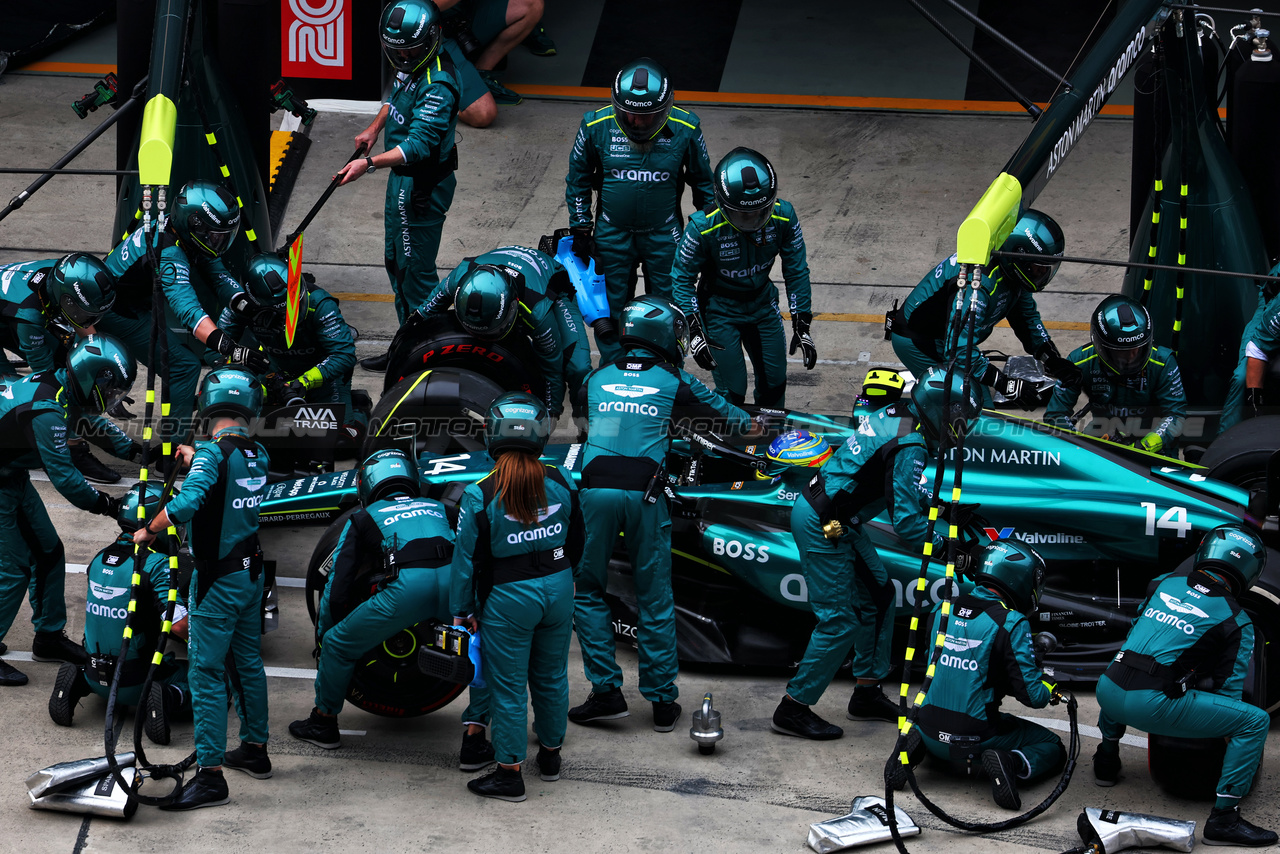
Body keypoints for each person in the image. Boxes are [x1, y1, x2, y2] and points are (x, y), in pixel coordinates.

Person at [570, 295, 759, 731]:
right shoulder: (674, 380)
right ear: (661, 336)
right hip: (645, 497)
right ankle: (660, 703)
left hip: (595, 492)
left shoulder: (596, 378)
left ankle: (606, 693)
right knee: (654, 598)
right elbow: (736, 423)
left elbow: (594, 426)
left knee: (588, 592)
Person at [771, 365, 980, 740]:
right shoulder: (912, 443)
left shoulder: (901, 413)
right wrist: (954, 552)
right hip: (824, 524)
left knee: (880, 597)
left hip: (838, 519)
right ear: (939, 410)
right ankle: (793, 708)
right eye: (959, 419)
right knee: (839, 621)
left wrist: (942, 507)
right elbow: (908, 525)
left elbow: (893, 484)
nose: (961, 429)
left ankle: (866, 693)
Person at [290, 449, 484, 759]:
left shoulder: (363, 518)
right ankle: (476, 737)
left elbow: (337, 586)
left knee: (338, 644)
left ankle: (323, 723)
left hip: (408, 589)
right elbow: (473, 551)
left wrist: (325, 635)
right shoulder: (441, 507)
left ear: (366, 486)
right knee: (479, 647)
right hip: (455, 586)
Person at [137, 366, 271, 810]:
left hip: (217, 582)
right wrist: (200, 458)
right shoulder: (256, 453)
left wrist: (150, 529)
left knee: (206, 674)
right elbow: (223, 470)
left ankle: (210, 776)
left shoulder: (214, 456)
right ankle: (255, 750)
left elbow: (189, 502)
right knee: (247, 662)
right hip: (252, 574)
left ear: (206, 405)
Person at [1093, 524, 1275, 847]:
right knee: (1255, 722)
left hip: (1106, 689)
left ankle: (1105, 762)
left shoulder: (1162, 582)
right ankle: (1224, 818)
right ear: (1250, 573)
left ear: (1205, 552)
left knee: (1127, 666)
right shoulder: (1237, 620)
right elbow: (1228, 691)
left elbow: (1138, 632)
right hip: (1149, 704)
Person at [449, 392, 582, 801]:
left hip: (508, 599)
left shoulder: (480, 493)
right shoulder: (561, 479)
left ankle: (509, 773)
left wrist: (462, 612)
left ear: (493, 433)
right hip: (558, 589)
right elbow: (579, 540)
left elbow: (465, 562)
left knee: (508, 689)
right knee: (552, 676)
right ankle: (551, 756)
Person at [0, 334, 140, 687]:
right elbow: (66, 479)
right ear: (92, 379)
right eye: (109, 392)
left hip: (9, 477)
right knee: (16, 567)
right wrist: (112, 507)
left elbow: (94, 426)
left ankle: (48, 637)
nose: (111, 400)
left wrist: (141, 453)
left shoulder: (63, 388)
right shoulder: (46, 413)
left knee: (49, 552)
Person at [565, 57, 716, 362]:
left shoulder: (687, 128)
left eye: (648, 116)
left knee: (669, 308)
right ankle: (612, 369)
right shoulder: (595, 125)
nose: (637, 123)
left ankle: (667, 370)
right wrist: (580, 227)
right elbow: (578, 176)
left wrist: (710, 233)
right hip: (611, 233)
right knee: (608, 310)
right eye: (630, 115)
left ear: (667, 108)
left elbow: (704, 185)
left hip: (664, 234)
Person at [340, 0, 461, 373]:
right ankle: (406, 347)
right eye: (397, 51)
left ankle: (429, 355)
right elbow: (396, 96)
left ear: (433, 38)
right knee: (396, 265)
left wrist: (369, 163)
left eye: (410, 49)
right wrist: (375, 130)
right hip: (401, 180)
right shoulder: (411, 62)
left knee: (417, 275)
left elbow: (418, 146)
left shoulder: (438, 83)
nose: (403, 57)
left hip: (421, 185)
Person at [101, 179, 269, 443]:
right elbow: (190, 314)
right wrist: (233, 350)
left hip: (132, 302)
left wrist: (249, 306)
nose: (219, 243)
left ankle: (180, 406)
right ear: (195, 225)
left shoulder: (181, 229)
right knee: (183, 366)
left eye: (224, 236)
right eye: (215, 236)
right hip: (116, 312)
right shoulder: (169, 253)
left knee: (182, 363)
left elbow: (218, 276)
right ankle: (173, 450)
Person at [913, 539, 1065, 810]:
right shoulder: (1011, 622)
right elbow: (1032, 695)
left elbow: (936, 666)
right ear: (1018, 578)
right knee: (1052, 745)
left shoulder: (942, 608)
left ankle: (919, 745)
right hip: (976, 740)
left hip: (926, 725)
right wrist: (1049, 688)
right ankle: (1011, 762)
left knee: (942, 718)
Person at [49, 482, 192, 745]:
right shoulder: (155, 565)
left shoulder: (100, 558)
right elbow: (180, 627)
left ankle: (79, 681)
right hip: (138, 680)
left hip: (96, 672)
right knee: (207, 677)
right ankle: (167, 697)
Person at [671, 147, 815, 407]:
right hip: (719, 312)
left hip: (762, 307)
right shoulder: (702, 227)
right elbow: (682, 278)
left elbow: (796, 270)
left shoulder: (784, 216)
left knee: (774, 383)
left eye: (760, 211)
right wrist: (694, 330)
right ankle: (728, 444)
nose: (751, 219)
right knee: (733, 391)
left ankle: (772, 442)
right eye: (741, 212)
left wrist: (802, 322)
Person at [888, 210, 1075, 408]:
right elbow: (959, 351)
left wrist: (1052, 359)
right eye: (1039, 269)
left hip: (949, 338)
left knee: (978, 399)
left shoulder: (1013, 273)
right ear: (1019, 257)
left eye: (1047, 270)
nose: (1043, 276)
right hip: (919, 341)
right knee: (976, 408)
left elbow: (1027, 320)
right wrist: (1004, 383)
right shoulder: (978, 285)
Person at [410, 244, 591, 420]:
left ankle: (582, 421)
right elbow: (420, 315)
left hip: (552, 286)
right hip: (505, 267)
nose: (482, 340)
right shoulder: (458, 279)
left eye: (490, 332)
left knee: (578, 367)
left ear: (513, 307)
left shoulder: (537, 311)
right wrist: (396, 351)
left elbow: (552, 368)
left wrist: (553, 412)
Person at [0, 252, 123, 483]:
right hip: (17, 315)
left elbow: (86, 333)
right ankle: (73, 451)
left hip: (11, 311)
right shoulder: (29, 317)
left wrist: (105, 372)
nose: (88, 321)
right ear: (65, 300)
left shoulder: (62, 275)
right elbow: (48, 385)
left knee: (67, 365)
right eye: (85, 313)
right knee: (18, 392)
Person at [218, 253, 365, 445]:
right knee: (241, 433)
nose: (293, 313)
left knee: (340, 444)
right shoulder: (240, 306)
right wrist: (251, 380)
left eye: (296, 303)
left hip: (323, 375)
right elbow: (216, 351)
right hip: (274, 373)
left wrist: (304, 382)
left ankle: (359, 409)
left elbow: (344, 356)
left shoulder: (321, 304)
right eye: (283, 312)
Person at [1045, 294, 1186, 454]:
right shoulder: (1079, 362)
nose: (1131, 358)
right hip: (1104, 437)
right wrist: (1081, 445)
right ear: (1100, 346)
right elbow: (1055, 415)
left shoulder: (1163, 362)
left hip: (1152, 444)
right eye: (1122, 353)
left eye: (1137, 350)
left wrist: (1143, 447)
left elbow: (1175, 415)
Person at [438, 0, 546, 125]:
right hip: (434, 35)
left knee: (533, 5)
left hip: (460, 17)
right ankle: (425, 94)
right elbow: (432, 4)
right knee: (482, 114)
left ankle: (482, 71)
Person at [1219, 263, 1280, 434]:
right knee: (1242, 378)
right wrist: (1255, 406)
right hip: (1271, 302)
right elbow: (1257, 348)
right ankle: (1225, 442)